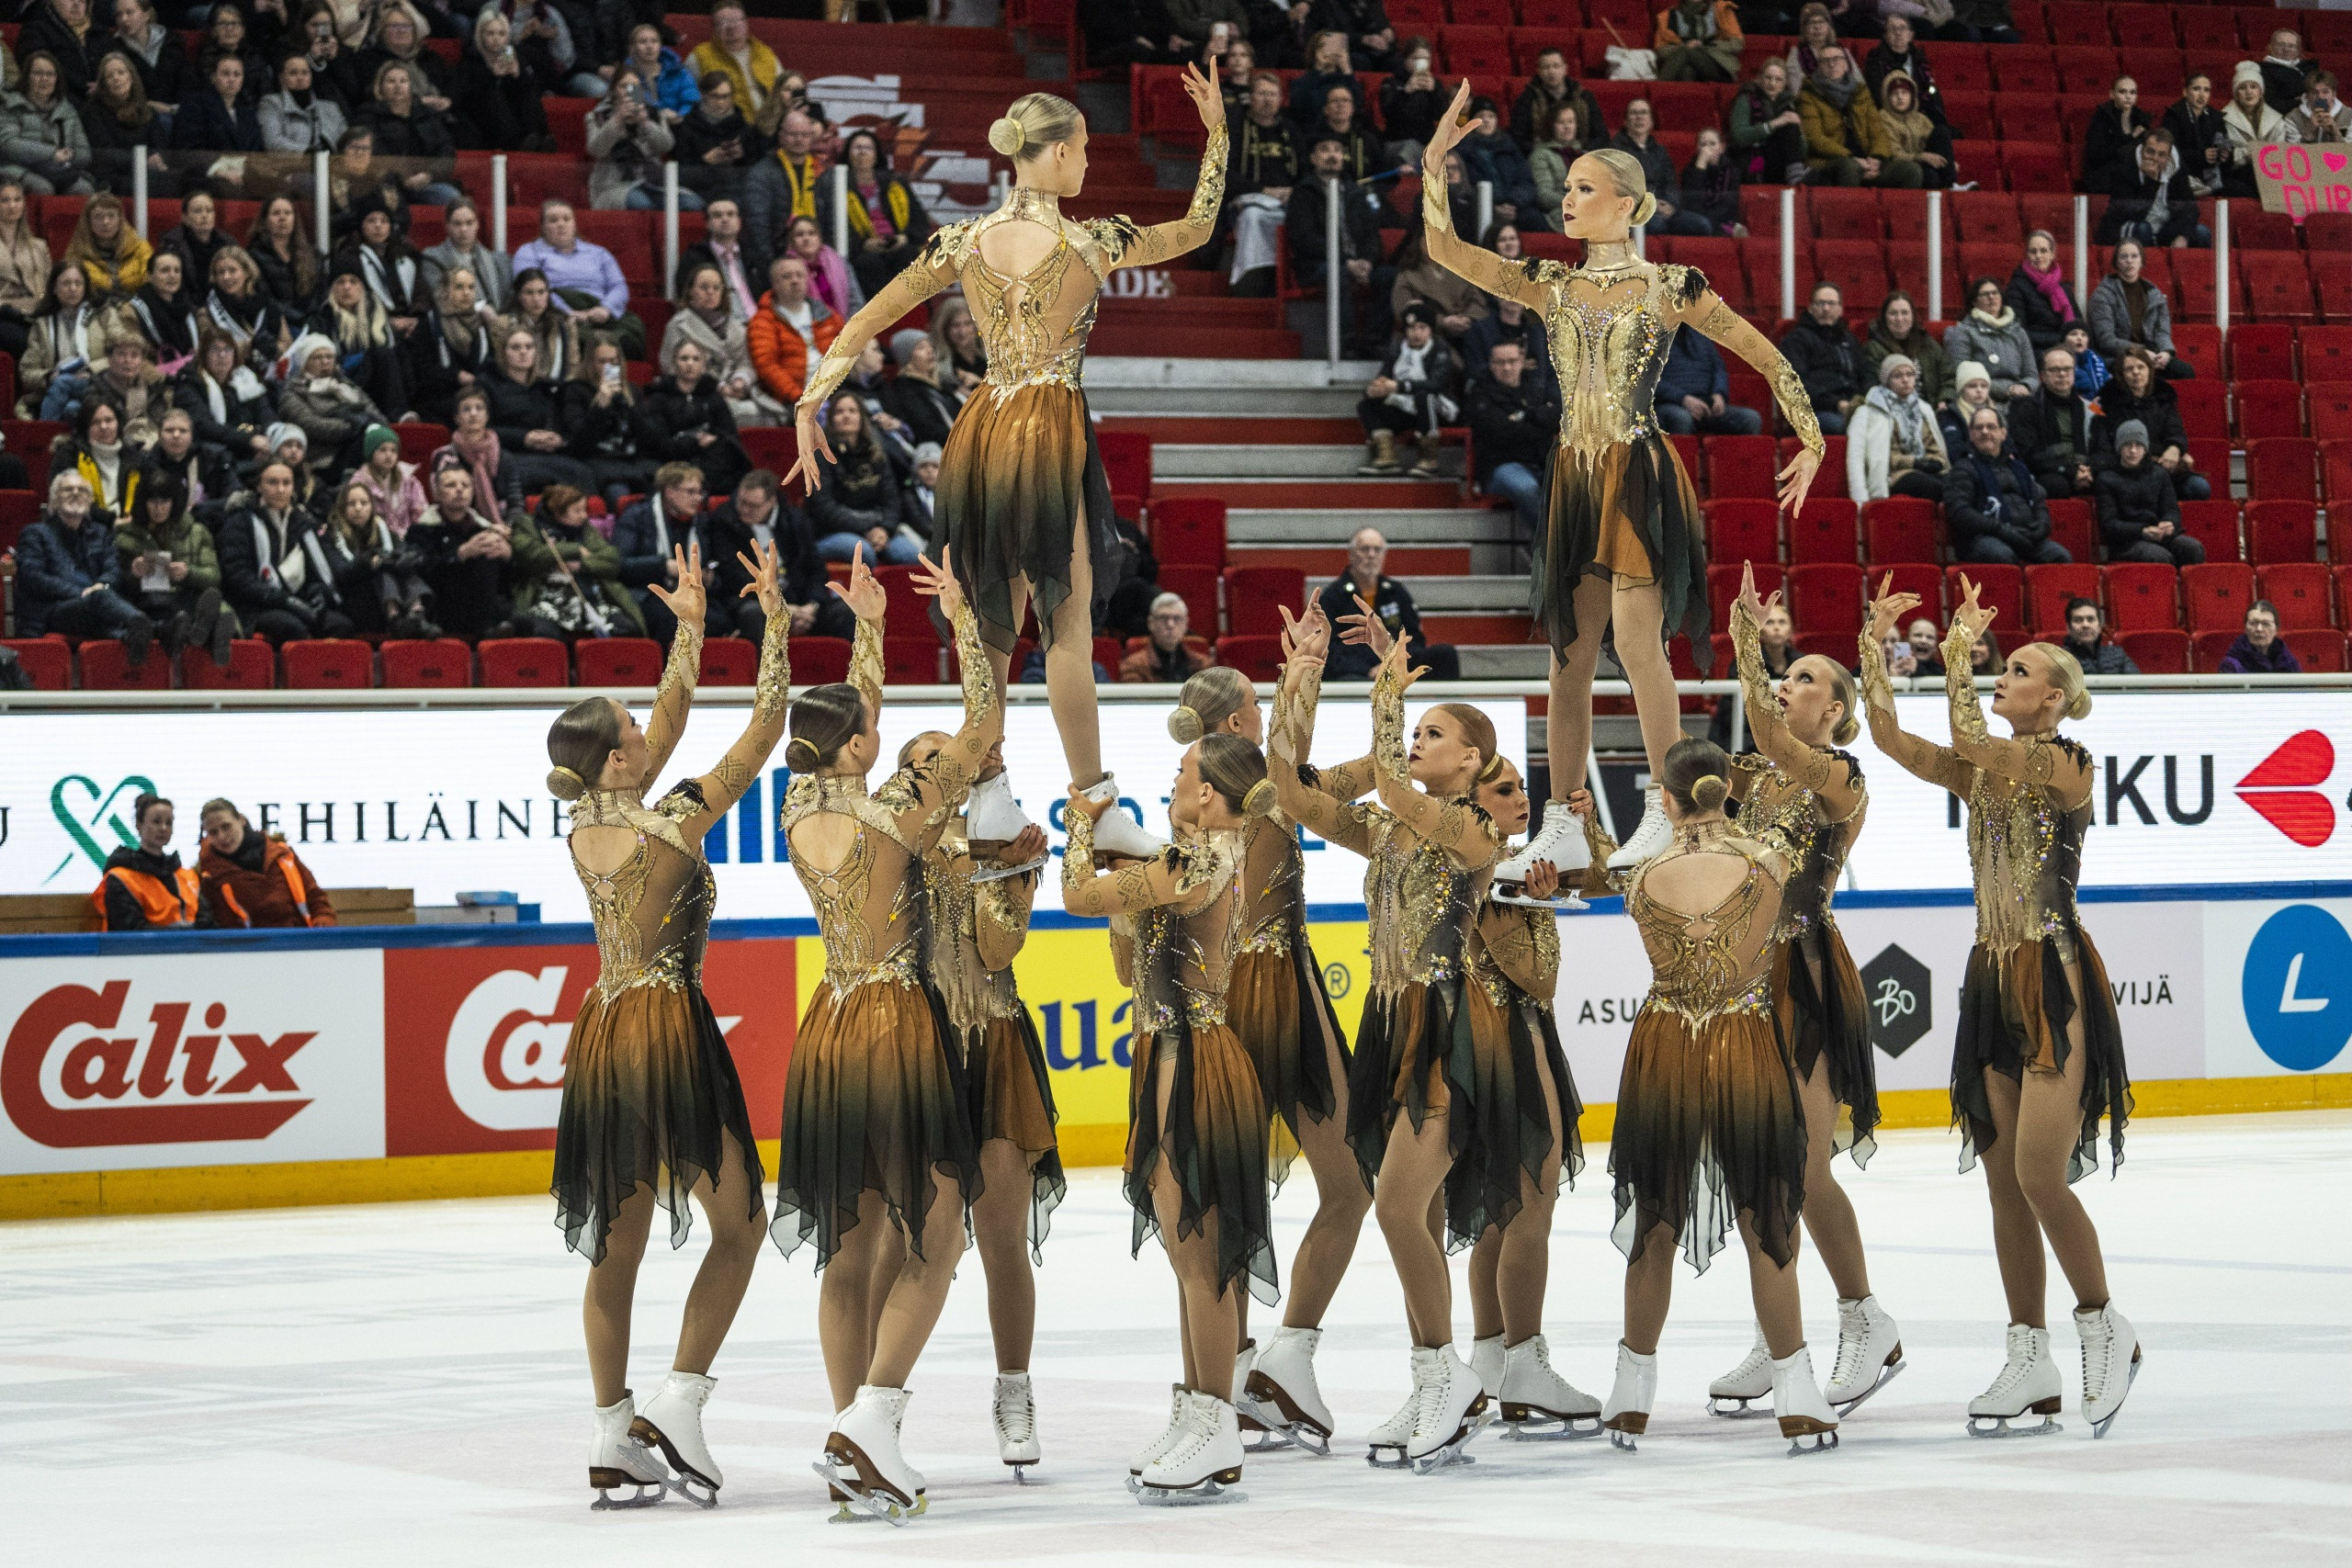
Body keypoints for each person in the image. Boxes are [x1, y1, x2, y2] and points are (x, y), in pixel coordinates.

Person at [789, 80, 1229, 865]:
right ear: (1056, 154)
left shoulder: (961, 243)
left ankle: (989, 795)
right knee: (1066, 623)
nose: (1089, 163)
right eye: (1086, 150)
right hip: (1048, 427)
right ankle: (1094, 804)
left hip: (981, 427)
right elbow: (1198, 228)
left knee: (990, 621)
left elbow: (863, 320)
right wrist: (1218, 135)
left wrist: (810, 401)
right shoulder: (1092, 241)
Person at [1424, 98, 1826, 873]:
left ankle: (1669, 811)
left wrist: (1810, 440)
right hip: (1573, 475)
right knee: (1567, 657)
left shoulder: (1671, 284)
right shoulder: (1550, 283)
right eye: (1565, 188)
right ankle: (1565, 820)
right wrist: (1434, 163)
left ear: (1626, 205)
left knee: (1642, 647)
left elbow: (1768, 355)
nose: (1565, 200)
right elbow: (1445, 249)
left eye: (1581, 188)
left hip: (1637, 469)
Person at [1268, 626, 1570, 1470]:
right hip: (1389, 1021)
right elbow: (1292, 796)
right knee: (1421, 1213)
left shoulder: (1470, 831)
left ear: (1473, 761)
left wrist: (1386, 690)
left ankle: (1449, 1377)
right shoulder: (1396, 831)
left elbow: (1397, 792)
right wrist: (1300, 680)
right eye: (1418, 729)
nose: (1416, 741)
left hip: (1446, 1026)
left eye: (1435, 733)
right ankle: (1433, 1379)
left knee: (1397, 1206)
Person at [1861, 575, 2140, 1436]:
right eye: (2000, 666)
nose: (2003, 676)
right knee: (2002, 1188)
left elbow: (1973, 741)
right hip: (1989, 975)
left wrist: (1952, 652)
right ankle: (2030, 1356)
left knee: (2038, 1173)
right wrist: (1875, 648)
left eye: (2016, 669)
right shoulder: (1986, 771)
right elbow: (1887, 737)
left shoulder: (2066, 763)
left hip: (2051, 974)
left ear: (2053, 696)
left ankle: (2104, 1323)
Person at [543, 533, 786, 1510]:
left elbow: (669, 722)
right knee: (741, 1224)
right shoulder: (674, 818)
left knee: (616, 1244)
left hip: (602, 1035)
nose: (648, 733)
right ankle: (679, 1406)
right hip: (669, 1031)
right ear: (612, 757)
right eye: (631, 733)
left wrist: (685, 636)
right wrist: (769, 626)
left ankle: (612, 1432)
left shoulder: (589, 823)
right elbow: (765, 730)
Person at [777, 553, 999, 1520]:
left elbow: (849, 714)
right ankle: (872, 1418)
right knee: (938, 1227)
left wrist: (868, 629)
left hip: (826, 1019)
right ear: (862, 747)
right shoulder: (900, 814)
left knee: (850, 1240)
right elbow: (983, 725)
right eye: (870, 731)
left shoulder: (798, 806)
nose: (878, 733)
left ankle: (849, 1436)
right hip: (895, 1022)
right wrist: (959, 623)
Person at [1149, 666, 1370, 1455]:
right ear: (1242, 722)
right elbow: (1315, 762)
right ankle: (1283, 1357)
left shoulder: (1192, 806)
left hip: (1213, 1005)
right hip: (1277, 985)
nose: (1268, 704)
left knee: (1224, 1202)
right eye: (1259, 696)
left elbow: (1340, 772)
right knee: (1348, 1181)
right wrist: (1315, 673)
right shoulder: (1257, 787)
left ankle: (1229, 1379)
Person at [1597, 730, 1838, 1450]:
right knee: (1769, 1217)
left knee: (1655, 1222)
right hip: (1745, 1040)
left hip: (1664, 1046)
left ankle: (1631, 1390)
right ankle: (1795, 1388)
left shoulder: (1640, 871)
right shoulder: (1770, 861)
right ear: (1726, 788)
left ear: (1663, 799)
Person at [13, 468, 157, 663]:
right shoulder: (35, 533)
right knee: (101, 600)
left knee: (105, 605)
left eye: (82, 490)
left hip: (94, 608)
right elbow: (33, 577)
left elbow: (112, 569)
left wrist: (102, 585)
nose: (75, 493)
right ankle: (148, 625)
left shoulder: (101, 533)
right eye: (67, 490)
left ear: (90, 501)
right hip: (50, 611)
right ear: (54, 500)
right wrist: (84, 593)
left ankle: (142, 632)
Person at [220, 459, 362, 643]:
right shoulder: (240, 521)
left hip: (295, 598)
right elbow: (237, 575)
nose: (280, 489)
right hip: (255, 605)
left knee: (341, 626)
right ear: (259, 486)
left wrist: (317, 591)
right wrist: (282, 599)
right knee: (293, 628)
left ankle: (320, 671)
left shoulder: (302, 520)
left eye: (286, 483)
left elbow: (314, 569)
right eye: (273, 483)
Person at [701, 468, 846, 643]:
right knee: (752, 613)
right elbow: (736, 577)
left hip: (799, 602)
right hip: (756, 601)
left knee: (847, 611)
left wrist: (812, 606)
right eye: (741, 502)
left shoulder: (795, 520)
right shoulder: (724, 522)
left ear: (772, 502)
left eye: (753, 506)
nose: (744, 510)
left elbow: (816, 569)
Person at [1286, 133, 1397, 357]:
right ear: (1313, 158)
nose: (1332, 155)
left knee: (1391, 276)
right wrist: (1347, 263)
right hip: (1318, 264)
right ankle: (1345, 346)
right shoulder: (1304, 193)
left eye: (1337, 150)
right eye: (1325, 150)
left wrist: (1367, 261)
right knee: (1337, 275)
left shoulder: (1356, 192)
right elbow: (1305, 240)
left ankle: (1373, 342)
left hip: (1356, 263)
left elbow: (1371, 235)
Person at [115, 468, 238, 663]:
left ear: (175, 503)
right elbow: (115, 582)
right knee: (166, 606)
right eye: (153, 502)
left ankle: (205, 630)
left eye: (164, 502)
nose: (158, 508)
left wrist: (188, 573)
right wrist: (133, 573)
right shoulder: (125, 537)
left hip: (186, 594)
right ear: (143, 503)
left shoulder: (197, 533)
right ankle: (201, 631)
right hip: (146, 601)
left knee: (215, 604)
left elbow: (214, 577)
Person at [1314, 526, 1459, 682]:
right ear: (1351, 555)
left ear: (1384, 555)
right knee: (1350, 680)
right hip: (1359, 672)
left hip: (1397, 663)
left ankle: (1447, 707)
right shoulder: (1332, 597)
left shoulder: (1396, 592)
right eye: (1365, 549)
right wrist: (1368, 669)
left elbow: (1414, 638)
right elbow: (1328, 651)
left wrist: (1394, 663)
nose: (1371, 555)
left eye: (1377, 550)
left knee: (1445, 654)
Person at [509, 482, 641, 642]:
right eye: (577, 511)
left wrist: (581, 565)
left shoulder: (585, 528)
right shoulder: (528, 524)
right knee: (544, 635)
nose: (584, 515)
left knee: (627, 630)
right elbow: (530, 554)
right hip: (546, 601)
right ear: (558, 512)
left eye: (584, 510)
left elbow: (611, 559)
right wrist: (576, 549)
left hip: (591, 600)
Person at [407, 461, 515, 638]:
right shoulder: (421, 530)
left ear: (473, 492)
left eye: (465, 485)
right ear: (437, 493)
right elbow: (421, 572)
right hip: (443, 607)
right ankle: (488, 626)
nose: (460, 490)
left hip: (482, 604)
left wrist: (508, 557)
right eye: (451, 485)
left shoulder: (484, 529)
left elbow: (506, 582)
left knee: (488, 559)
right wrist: (460, 554)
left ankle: (491, 625)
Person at [1946, 407, 2067, 565]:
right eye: (1979, 427)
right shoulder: (1963, 468)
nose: (1985, 432)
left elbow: (2039, 503)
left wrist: (2042, 526)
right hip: (1982, 537)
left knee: (2060, 557)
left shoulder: (2019, 467)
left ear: (2003, 433)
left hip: (2023, 533)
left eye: (1991, 427)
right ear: (1971, 434)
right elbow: (1959, 512)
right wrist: (2000, 529)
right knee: (2004, 557)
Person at [512, 201, 638, 350]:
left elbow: (619, 286)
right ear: (542, 227)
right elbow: (531, 290)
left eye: (567, 219)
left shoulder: (599, 253)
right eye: (553, 220)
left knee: (631, 337)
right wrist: (568, 313)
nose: (561, 224)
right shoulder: (529, 252)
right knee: (581, 341)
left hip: (601, 316)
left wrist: (606, 309)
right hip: (556, 317)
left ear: (574, 224)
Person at [1354, 304, 1461, 479]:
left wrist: (1399, 387)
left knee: (1424, 396)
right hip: (1406, 408)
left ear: (1431, 330)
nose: (1416, 333)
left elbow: (1436, 384)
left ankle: (1429, 458)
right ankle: (1386, 456)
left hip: (1438, 409)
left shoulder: (1441, 350)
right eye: (1411, 328)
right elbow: (1384, 378)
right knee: (1366, 405)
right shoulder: (1396, 350)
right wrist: (1373, 390)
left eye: (1422, 328)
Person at [822, 128, 932, 298]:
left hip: (897, 244)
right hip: (861, 250)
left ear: (876, 154)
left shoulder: (896, 183)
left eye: (868, 148)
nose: (862, 153)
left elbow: (920, 222)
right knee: (869, 263)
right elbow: (831, 226)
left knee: (910, 256)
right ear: (848, 153)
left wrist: (904, 238)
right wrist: (863, 245)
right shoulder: (836, 184)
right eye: (857, 147)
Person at [634, 337, 748, 500]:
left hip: (710, 462)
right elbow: (657, 443)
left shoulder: (714, 398)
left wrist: (713, 442)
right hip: (671, 463)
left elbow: (729, 437)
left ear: (703, 365)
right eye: (684, 358)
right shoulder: (658, 398)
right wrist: (694, 443)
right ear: (675, 363)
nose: (690, 364)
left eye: (696, 359)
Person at [1468, 340, 1558, 539]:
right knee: (1526, 488)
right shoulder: (1479, 394)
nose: (1506, 367)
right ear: (1491, 364)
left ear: (1522, 361)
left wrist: (1522, 419)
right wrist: (1536, 420)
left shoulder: (1537, 388)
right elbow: (1500, 432)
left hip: (1540, 462)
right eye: (1500, 362)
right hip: (1500, 466)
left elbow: (1558, 418)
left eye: (1511, 361)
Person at [198, 798, 335, 928]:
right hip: (250, 948)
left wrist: (323, 922)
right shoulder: (208, 877)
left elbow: (315, 897)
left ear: (241, 820)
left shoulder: (283, 855)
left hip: (300, 942)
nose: (222, 836)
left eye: (226, 826)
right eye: (213, 832)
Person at [612, 461, 709, 643]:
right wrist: (663, 566)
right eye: (690, 492)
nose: (698, 498)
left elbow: (715, 565)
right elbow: (619, 565)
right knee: (669, 616)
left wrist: (710, 578)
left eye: (699, 492)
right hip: (647, 592)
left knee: (717, 619)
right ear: (669, 491)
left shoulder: (702, 522)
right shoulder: (637, 516)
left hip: (692, 593)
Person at [2091, 347, 2206, 501]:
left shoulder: (2163, 397)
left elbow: (2176, 432)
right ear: (2122, 375)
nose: (2136, 373)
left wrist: (2175, 448)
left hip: (2163, 467)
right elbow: (2106, 447)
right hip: (2126, 469)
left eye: (2141, 367)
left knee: (2199, 488)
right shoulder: (2107, 402)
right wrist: (2155, 459)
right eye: (2129, 369)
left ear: (2150, 370)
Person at [1800, 46, 1922, 187]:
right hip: (1832, 161)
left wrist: (1876, 158)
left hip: (1867, 161)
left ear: (1846, 65)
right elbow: (1814, 138)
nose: (1832, 64)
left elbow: (1878, 131)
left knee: (1912, 170)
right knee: (1849, 167)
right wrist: (1852, 157)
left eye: (1836, 59)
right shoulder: (1808, 95)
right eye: (1825, 61)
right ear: (1818, 67)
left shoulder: (1860, 92)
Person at [279, 330, 394, 473]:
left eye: (329, 357)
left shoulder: (347, 385)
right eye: (317, 358)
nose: (325, 361)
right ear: (305, 364)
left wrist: (373, 428)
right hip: (326, 457)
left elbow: (373, 412)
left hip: (361, 445)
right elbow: (312, 425)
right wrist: (356, 427)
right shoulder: (293, 392)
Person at [94, 794, 211, 931]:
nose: (163, 828)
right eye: (156, 822)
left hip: (193, 949)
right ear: (139, 825)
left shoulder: (186, 875)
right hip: (142, 951)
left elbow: (206, 920)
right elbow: (130, 929)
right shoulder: (120, 878)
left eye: (169, 823)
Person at [2093, 423, 2201, 571]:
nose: (2133, 450)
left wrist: (2170, 524)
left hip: (2159, 535)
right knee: (2159, 556)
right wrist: (2142, 530)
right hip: (2127, 543)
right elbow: (2110, 524)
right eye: (2127, 445)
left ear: (2145, 448)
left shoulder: (2159, 474)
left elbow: (2172, 510)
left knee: (2192, 548)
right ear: (2119, 448)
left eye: (2138, 445)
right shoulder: (2106, 479)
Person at [1845, 353, 1948, 502]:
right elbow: (1857, 457)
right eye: (1897, 376)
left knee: (1957, 484)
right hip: (1891, 476)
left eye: (1909, 374)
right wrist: (1914, 462)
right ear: (1887, 381)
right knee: (1933, 486)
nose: (1905, 380)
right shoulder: (1867, 412)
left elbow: (1934, 445)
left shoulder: (1923, 409)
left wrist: (1936, 461)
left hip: (1923, 470)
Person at [747, 253, 839, 411]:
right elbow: (767, 366)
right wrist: (799, 397)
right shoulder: (763, 321)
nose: (795, 280)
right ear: (774, 284)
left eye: (799, 275)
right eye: (787, 277)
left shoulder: (826, 313)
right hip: (792, 398)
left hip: (835, 393)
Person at [741, 108, 825, 281]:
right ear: (780, 135)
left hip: (820, 255)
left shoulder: (823, 172)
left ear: (812, 137)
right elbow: (758, 226)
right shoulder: (761, 173)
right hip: (778, 256)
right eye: (792, 134)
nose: (799, 139)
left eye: (804, 134)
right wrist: (772, 265)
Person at [1610, 98, 1713, 235]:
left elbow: (1671, 182)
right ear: (1625, 122)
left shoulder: (1660, 151)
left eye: (1644, 112)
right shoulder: (1616, 149)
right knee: (1657, 226)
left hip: (1663, 208)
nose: (1639, 117)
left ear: (1651, 122)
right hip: (1635, 210)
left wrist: (1672, 205)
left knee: (1702, 225)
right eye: (1634, 113)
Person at [454, 8, 552, 152]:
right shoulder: (471, 58)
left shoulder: (514, 55)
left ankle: (539, 138)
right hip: (484, 120)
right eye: (490, 33)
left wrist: (518, 74)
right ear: (480, 35)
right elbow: (467, 95)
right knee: (492, 96)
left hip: (512, 116)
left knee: (528, 95)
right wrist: (492, 76)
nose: (496, 38)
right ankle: (519, 143)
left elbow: (532, 88)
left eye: (501, 33)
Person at [175, 326, 275, 465]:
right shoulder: (190, 384)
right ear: (204, 355)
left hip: (251, 446)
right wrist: (250, 440)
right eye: (215, 349)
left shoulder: (245, 378)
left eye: (228, 349)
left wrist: (272, 434)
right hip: (215, 453)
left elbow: (265, 412)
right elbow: (204, 427)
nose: (222, 355)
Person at [586, 69, 683, 210]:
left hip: (652, 181)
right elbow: (597, 149)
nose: (629, 91)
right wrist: (617, 119)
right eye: (623, 86)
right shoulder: (596, 116)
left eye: (634, 87)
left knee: (691, 204)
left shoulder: (655, 114)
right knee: (642, 203)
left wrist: (645, 123)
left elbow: (666, 146)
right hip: (613, 185)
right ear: (613, 90)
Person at [1781, 282, 1868, 435]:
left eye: (1831, 304)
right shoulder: (1796, 340)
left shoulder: (1850, 340)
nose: (1826, 308)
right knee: (1844, 426)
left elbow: (1864, 375)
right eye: (1821, 303)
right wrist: (1836, 404)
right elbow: (1797, 384)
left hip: (1853, 406)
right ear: (1811, 308)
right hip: (1817, 410)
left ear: (1840, 309)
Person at [5, 50, 95, 196]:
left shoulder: (67, 110)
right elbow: (8, 144)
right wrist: (51, 153)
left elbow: (85, 153)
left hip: (57, 170)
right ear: (27, 77)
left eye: (50, 74)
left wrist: (70, 155)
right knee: (43, 188)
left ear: (57, 79)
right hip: (18, 167)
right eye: (38, 73)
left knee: (84, 189)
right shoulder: (11, 104)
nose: (44, 79)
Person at [2011, 348, 2096, 502]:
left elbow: (2102, 446)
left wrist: (2089, 470)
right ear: (2042, 376)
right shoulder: (2026, 407)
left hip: (2083, 468)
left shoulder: (2090, 408)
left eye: (2067, 369)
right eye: (2054, 370)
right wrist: (2070, 472)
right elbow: (2030, 455)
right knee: (2057, 485)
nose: (2062, 374)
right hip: (2047, 470)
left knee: (2107, 480)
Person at [82, 49, 169, 197]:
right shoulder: (92, 111)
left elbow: (160, 145)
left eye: (121, 73)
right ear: (104, 83)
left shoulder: (147, 111)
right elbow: (105, 152)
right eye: (110, 76)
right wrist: (143, 160)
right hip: (111, 176)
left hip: (145, 171)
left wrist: (156, 157)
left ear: (131, 77)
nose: (116, 78)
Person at [2095, 134, 2205, 250]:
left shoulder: (2176, 171)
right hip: (2125, 227)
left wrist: (2184, 237)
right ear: (2142, 150)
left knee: (2202, 233)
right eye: (2150, 152)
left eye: (2162, 155)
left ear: (2168, 158)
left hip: (2162, 228)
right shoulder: (2125, 167)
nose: (2155, 158)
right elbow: (2134, 214)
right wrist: (2151, 182)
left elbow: (2191, 210)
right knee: (2143, 229)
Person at [1656, 325, 1765, 436]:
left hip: (1706, 404)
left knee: (1751, 419)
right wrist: (1683, 399)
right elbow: (1647, 381)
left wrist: (1719, 394)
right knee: (1681, 418)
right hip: (1670, 404)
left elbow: (1719, 369)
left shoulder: (1700, 336)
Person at [673, 73, 763, 207]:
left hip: (736, 188)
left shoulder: (744, 128)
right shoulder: (687, 127)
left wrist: (741, 156)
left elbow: (756, 169)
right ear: (703, 95)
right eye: (715, 96)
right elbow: (680, 172)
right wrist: (706, 161)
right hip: (699, 190)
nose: (721, 102)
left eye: (726, 96)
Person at [1942, 275, 2036, 403]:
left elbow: (2032, 375)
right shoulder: (1962, 332)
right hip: (1981, 400)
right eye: (1985, 294)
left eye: (1995, 293)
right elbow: (1962, 376)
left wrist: (2025, 386)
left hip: (2021, 399)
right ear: (1974, 302)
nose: (1991, 297)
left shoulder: (2018, 332)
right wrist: (2008, 389)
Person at [687, 0, 780, 118]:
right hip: (725, 126)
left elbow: (784, 90)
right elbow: (690, 100)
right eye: (723, 23)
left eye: (736, 21)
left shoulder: (765, 53)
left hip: (769, 124)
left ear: (746, 24)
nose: (730, 28)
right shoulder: (699, 57)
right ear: (714, 28)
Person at [2220, 61, 2295, 202]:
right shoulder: (2223, 119)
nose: (2249, 92)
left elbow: (2281, 151)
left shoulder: (2276, 119)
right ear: (2236, 93)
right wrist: (2248, 154)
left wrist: (2261, 155)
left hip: (2269, 173)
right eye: (2243, 88)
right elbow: (2224, 155)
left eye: (2254, 87)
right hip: (2237, 173)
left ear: (2261, 91)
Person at [421, 197, 511, 314]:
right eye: (457, 224)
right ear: (447, 226)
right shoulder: (433, 258)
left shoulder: (497, 260)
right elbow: (440, 298)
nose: (464, 229)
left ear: (477, 224)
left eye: (469, 223)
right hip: (456, 325)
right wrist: (480, 309)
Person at [54, 396, 141, 514]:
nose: (103, 427)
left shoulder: (132, 455)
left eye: (109, 420)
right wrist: (110, 521)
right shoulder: (69, 455)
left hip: (128, 524)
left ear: (118, 423)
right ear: (85, 427)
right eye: (95, 422)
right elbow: (67, 500)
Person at [1510, 45, 1604, 153]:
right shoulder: (1527, 99)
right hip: (1543, 156)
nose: (1551, 71)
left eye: (1556, 66)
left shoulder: (1584, 97)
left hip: (1581, 155)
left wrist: (1581, 151)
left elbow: (1601, 135)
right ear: (1538, 71)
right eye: (1546, 67)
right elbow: (1518, 138)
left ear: (1565, 69)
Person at [2006, 231, 2086, 356]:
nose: (2038, 256)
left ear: (2052, 254)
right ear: (2027, 255)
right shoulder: (2016, 287)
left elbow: (2079, 325)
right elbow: (2019, 332)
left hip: (2068, 351)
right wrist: (2062, 340)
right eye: (2033, 252)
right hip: (2036, 353)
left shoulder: (2063, 288)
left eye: (2043, 251)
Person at [1731, 57, 1808, 186]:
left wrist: (1799, 130)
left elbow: (1803, 151)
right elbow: (1739, 137)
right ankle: (1796, 180)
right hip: (1752, 157)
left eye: (1778, 79)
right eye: (1768, 78)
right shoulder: (1746, 99)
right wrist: (1775, 123)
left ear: (1784, 84)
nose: (1772, 83)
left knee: (1791, 125)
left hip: (1782, 162)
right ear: (1760, 79)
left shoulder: (1790, 105)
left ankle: (1796, 178)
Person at [1860, 292, 1944, 405]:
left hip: (1932, 408)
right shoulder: (1873, 349)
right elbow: (1874, 388)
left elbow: (1948, 375)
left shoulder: (1927, 343)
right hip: (1892, 409)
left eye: (1905, 313)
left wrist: (1944, 400)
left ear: (1913, 316)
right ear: (1884, 318)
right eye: (1893, 313)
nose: (1899, 318)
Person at [504, 267, 582, 384]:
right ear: (519, 295)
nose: (536, 299)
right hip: (517, 388)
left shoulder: (565, 324)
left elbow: (573, 367)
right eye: (529, 293)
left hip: (556, 389)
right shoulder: (504, 324)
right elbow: (502, 364)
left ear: (548, 294)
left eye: (541, 292)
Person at [1861, 15, 1944, 124]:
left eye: (1902, 28)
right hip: (1890, 118)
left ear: (1911, 35)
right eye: (1893, 29)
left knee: (1943, 131)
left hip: (1922, 116)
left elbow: (1931, 90)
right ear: (1885, 36)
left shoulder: (1920, 61)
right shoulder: (1876, 62)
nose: (1898, 33)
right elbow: (1878, 95)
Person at [247, 195, 320, 315]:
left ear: (295, 219)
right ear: (265, 220)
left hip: (309, 323)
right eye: (276, 213)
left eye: (288, 213)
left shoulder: (313, 255)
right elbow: (264, 299)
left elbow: (318, 296)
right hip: (274, 324)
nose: (282, 218)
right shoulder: (254, 256)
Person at [1117, 591, 1211, 683]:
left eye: (1177, 618)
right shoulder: (1134, 667)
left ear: (1186, 624)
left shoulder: (1203, 665)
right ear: (1151, 623)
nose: (1170, 624)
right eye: (1163, 618)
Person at [2080, 75, 2152, 189]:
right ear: (2112, 94)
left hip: (2134, 174)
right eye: (2123, 92)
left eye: (2133, 92)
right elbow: (2096, 155)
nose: (2128, 96)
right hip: (2105, 174)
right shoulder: (2102, 117)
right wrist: (2130, 137)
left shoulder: (2142, 119)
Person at [2165, 73, 2230, 197]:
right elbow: (2170, 153)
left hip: (2212, 173)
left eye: (2206, 90)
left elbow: (2223, 142)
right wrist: (2201, 156)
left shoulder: (2216, 116)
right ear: (2185, 92)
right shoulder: (2174, 115)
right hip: (2183, 173)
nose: (2202, 95)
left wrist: (2225, 154)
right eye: (2196, 89)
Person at [1656, 0, 1745, 83]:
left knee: (1687, 51)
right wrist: (1684, 46)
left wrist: (1708, 45)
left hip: (1717, 65)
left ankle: (1658, 87)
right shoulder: (1668, 15)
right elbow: (1661, 51)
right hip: (1684, 63)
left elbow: (1737, 44)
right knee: (1687, 71)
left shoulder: (1720, 9)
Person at [2058, 596, 2137, 675]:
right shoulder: (2058, 659)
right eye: (2078, 620)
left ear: (2099, 626)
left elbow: (2140, 685)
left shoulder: (2118, 655)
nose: (2085, 625)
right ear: (2068, 628)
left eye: (2090, 619)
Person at [2216, 601, 2301, 673]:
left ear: (2276, 629)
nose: (2259, 629)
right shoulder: (2231, 664)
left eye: (2266, 624)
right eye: (2253, 623)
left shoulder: (2289, 662)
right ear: (2245, 628)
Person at [2259, 29, 2317, 117]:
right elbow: (2270, 104)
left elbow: (2322, 94)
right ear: (2271, 47)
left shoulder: (2309, 67)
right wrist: (2301, 101)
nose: (2286, 49)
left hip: (2313, 112)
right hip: (2283, 117)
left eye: (2291, 46)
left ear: (2298, 50)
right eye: (2281, 45)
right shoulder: (2263, 70)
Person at [2287, 71, 2349, 143]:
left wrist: (2336, 134)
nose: (2320, 96)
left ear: (2334, 94)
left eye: (2325, 92)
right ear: (2307, 96)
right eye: (2314, 93)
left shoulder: (2349, 116)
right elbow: (2291, 152)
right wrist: (2309, 133)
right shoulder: (2293, 117)